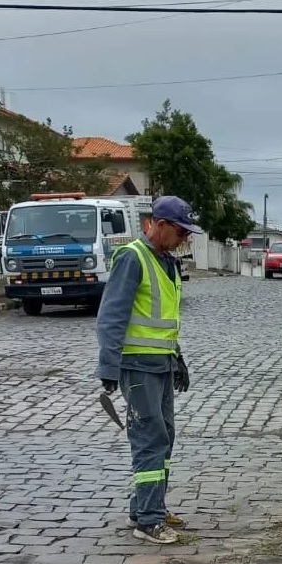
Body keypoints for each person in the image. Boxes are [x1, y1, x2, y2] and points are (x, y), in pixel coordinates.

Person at [96, 196, 201, 544]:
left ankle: (146, 506)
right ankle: (149, 521)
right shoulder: (133, 257)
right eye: (180, 231)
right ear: (160, 225)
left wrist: (177, 358)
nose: (184, 238)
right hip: (137, 365)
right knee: (149, 438)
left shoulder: (167, 262)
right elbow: (111, 315)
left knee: (164, 435)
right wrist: (108, 365)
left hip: (161, 364)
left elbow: (164, 319)